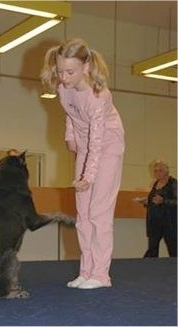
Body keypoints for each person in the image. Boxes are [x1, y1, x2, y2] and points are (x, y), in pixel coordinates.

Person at [41, 38, 125, 289]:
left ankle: (101, 274)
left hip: (108, 146)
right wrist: (70, 138)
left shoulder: (99, 96)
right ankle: (86, 270)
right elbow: (70, 115)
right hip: (85, 145)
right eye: (60, 71)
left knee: (99, 213)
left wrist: (88, 176)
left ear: (86, 67)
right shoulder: (64, 89)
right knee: (82, 215)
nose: (64, 77)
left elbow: (97, 142)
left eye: (70, 71)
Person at [142, 160, 177, 258]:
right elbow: (154, 201)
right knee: (152, 249)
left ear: (166, 171)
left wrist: (164, 201)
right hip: (154, 222)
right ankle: (150, 270)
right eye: (155, 171)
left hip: (169, 223)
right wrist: (147, 202)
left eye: (160, 170)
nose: (157, 173)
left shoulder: (173, 183)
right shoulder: (155, 184)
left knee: (173, 249)